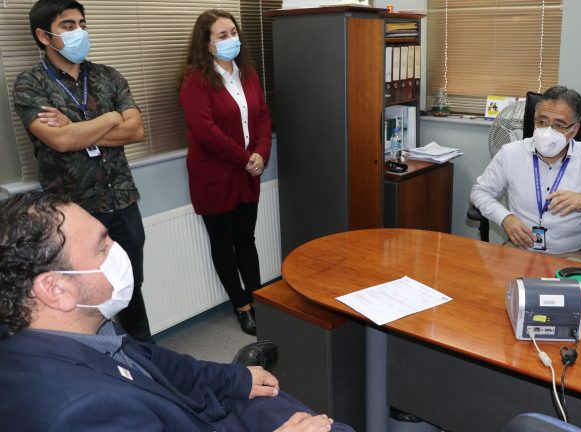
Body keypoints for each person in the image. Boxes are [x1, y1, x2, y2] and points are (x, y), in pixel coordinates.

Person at [0, 192, 352, 432]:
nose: (118, 249)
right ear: (55, 290)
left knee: (276, 396)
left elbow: (159, 363)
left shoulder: (85, 327)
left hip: (191, 411)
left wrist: (233, 378)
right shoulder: (80, 412)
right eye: (102, 245)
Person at [12, 0, 153, 342]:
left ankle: (144, 352)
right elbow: (60, 141)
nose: (80, 32)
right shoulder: (30, 84)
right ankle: (100, 358)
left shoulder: (108, 76)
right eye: (68, 25)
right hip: (72, 210)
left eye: (82, 24)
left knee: (129, 284)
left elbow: (136, 130)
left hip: (121, 198)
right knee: (83, 295)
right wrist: (110, 118)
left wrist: (76, 128)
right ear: (43, 36)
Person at [179, 9, 271, 336]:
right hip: (215, 176)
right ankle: (241, 306)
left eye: (233, 32)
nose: (231, 39)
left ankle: (259, 299)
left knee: (247, 240)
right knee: (223, 243)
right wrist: (246, 158)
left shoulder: (248, 74)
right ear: (206, 43)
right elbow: (206, 132)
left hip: (248, 173)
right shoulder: (195, 80)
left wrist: (261, 153)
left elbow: (262, 116)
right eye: (222, 35)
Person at [470, 86, 581, 263]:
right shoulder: (510, 153)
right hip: (520, 249)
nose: (547, 131)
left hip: (570, 256)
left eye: (558, 125)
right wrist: (505, 218)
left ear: (574, 130)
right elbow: (480, 192)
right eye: (542, 122)